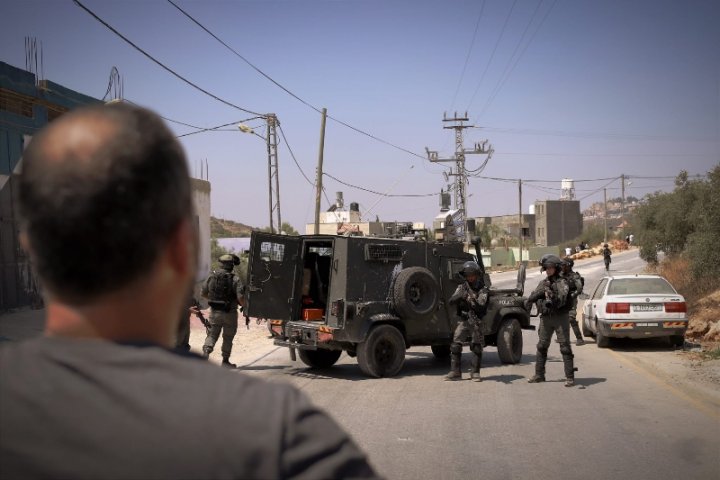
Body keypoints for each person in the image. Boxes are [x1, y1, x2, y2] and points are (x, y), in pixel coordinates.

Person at [0, 103, 378, 479]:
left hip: (209, 314)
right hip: (220, 316)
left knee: (209, 337)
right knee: (216, 337)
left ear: (30, 247)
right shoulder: (283, 437)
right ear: (183, 249)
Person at [524, 255, 577, 387]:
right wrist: (534, 298)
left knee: (565, 347)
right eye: (546, 268)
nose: (548, 270)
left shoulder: (562, 283)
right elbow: (533, 296)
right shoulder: (543, 283)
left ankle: (570, 377)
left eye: (550, 268)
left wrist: (552, 296)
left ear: (556, 268)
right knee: (541, 346)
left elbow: (562, 300)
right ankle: (539, 375)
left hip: (560, 318)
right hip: (546, 318)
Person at [445, 261, 490, 382]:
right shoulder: (462, 287)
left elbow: (481, 305)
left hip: (476, 320)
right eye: (467, 275)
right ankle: (455, 372)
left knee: (476, 346)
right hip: (464, 320)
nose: (470, 278)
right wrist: (460, 296)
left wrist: (469, 299)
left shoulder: (483, 289)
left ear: (476, 275)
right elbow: (451, 301)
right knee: (455, 345)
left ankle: (475, 372)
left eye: (472, 275)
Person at [201, 253, 243, 368]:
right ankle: (225, 361)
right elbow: (240, 297)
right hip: (230, 313)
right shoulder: (235, 278)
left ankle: (205, 354)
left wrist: (213, 299)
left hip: (215, 312)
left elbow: (203, 293)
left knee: (212, 335)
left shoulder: (211, 276)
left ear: (221, 264)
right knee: (228, 337)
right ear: (231, 265)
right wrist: (244, 306)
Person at [561, 258, 585, 346]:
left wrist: (572, 295)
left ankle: (579, 339)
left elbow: (579, 288)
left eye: (564, 265)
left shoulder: (574, 276)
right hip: (561, 300)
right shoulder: (560, 275)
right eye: (562, 265)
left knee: (571, 318)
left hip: (571, 299)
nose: (562, 267)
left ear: (568, 266)